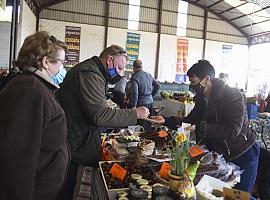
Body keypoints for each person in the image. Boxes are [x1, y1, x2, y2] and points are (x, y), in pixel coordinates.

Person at [149, 60, 259, 195]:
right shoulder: (201, 99)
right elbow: (189, 121)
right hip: (221, 157)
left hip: (242, 153)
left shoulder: (232, 95)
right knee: (219, 194)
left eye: (194, 82)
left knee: (239, 196)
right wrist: (166, 120)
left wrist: (200, 128)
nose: (192, 86)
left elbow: (232, 130)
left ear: (206, 79)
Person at [56, 45, 150, 199]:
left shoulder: (95, 73)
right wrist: (135, 113)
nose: (120, 73)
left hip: (76, 138)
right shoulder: (90, 74)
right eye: (119, 67)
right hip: (72, 141)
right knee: (65, 186)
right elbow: (99, 115)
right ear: (109, 60)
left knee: (69, 184)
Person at [0, 31, 69, 200]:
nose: (62, 67)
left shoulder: (34, 86)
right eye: (61, 62)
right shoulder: (30, 91)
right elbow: (18, 159)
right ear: (46, 62)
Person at [127, 59, 160, 130]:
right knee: (148, 124)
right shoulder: (149, 75)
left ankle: (142, 140)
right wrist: (151, 95)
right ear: (141, 66)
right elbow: (157, 86)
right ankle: (149, 140)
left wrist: (134, 107)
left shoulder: (135, 77)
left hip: (141, 104)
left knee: (140, 127)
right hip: (150, 103)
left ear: (134, 67)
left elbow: (135, 93)